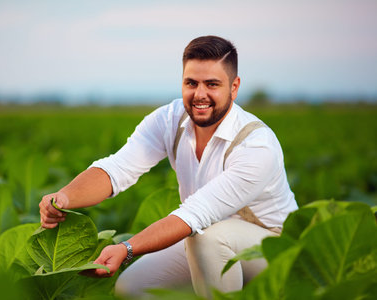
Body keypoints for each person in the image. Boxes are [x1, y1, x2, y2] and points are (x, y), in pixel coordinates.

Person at [39, 35, 298, 298]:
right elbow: (118, 168)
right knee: (133, 288)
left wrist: (127, 249)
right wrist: (65, 197)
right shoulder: (169, 119)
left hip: (272, 249)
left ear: (234, 87)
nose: (200, 94)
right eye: (191, 83)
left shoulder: (256, 144)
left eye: (212, 84)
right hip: (202, 237)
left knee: (208, 237)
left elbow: (194, 215)